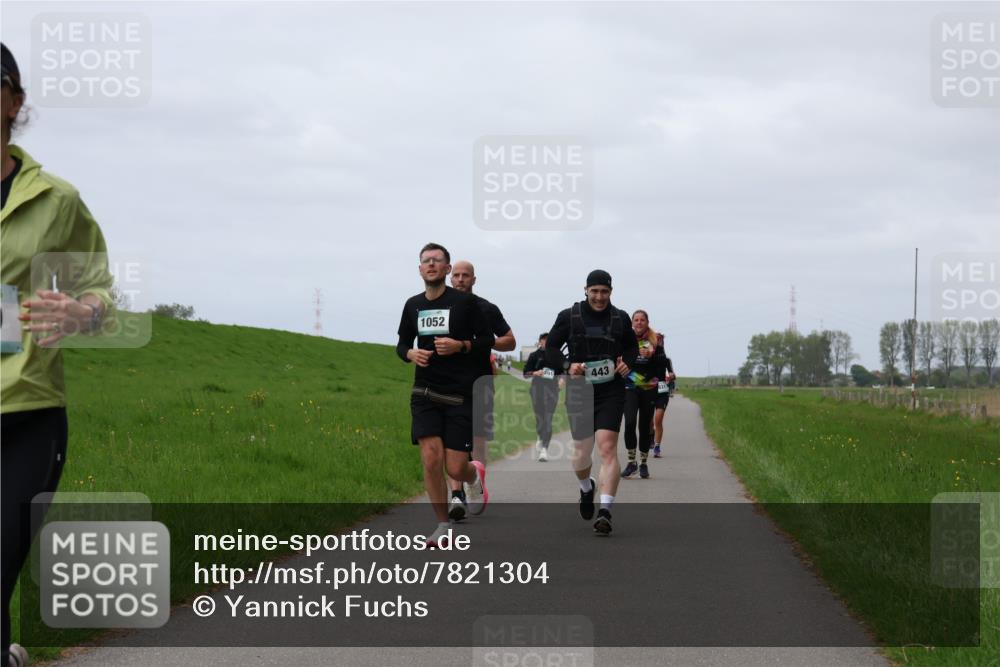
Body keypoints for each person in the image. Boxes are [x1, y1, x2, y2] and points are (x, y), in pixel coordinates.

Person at [1, 43, 115, 667]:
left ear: (15, 102)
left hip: (27, 408)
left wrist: (84, 312)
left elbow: (99, 288)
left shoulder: (56, 200)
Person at [396, 243, 492, 547]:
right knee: (429, 459)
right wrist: (410, 353)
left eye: (438, 260)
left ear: (447, 269)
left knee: (454, 467)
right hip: (424, 391)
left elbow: (487, 340)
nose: (432, 264)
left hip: (459, 395)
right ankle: (442, 524)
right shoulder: (412, 305)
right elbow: (401, 344)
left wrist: (460, 345)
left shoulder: (465, 304)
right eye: (426, 260)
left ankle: (473, 477)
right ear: (420, 269)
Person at [545, 270, 638, 535]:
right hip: (579, 389)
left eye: (604, 291)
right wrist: (567, 365)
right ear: (585, 290)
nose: (599, 297)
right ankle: (587, 488)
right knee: (581, 453)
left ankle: (606, 511)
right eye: (594, 291)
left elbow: (631, 347)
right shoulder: (569, 316)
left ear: (611, 292)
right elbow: (550, 348)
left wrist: (627, 363)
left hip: (611, 390)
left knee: (607, 447)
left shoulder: (620, 318)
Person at [446, 260, 515, 521]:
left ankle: (476, 481)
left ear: (474, 280)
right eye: (457, 275)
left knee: (477, 440)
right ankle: (456, 495)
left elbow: (510, 341)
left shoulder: (486, 308)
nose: (461, 279)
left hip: (480, 382)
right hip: (448, 382)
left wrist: (479, 344)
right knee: (450, 440)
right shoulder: (441, 307)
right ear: (450, 278)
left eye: (466, 276)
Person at [621, 310, 665, 479]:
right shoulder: (627, 339)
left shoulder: (656, 340)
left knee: (645, 426)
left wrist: (651, 356)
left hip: (649, 388)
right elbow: (621, 359)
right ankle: (632, 462)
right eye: (636, 320)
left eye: (642, 320)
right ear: (632, 322)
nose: (639, 323)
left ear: (647, 322)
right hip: (630, 386)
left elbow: (663, 364)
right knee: (630, 422)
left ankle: (644, 463)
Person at [522, 332, 562, 462]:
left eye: (548, 339)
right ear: (539, 341)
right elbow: (525, 373)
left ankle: (544, 449)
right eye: (543, 340)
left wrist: (562, 380)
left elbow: (564, 371)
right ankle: (540, 437)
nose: (546, 341)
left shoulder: (557, 356)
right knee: (540, 419)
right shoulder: (534, 356)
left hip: (552, 391)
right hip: (536, 391)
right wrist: (535, 372)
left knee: (548, 419)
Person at [652, 332, 677, 458]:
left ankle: (657, 446)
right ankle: (651, 436)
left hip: (662, 390)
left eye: (660, 340)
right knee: (648, 422)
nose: (658, 342)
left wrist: (671, 376)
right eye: (656, 340)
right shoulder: (647, 356)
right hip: (649, 389)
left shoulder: (666, 360)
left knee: (658, 419)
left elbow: (673, 374)